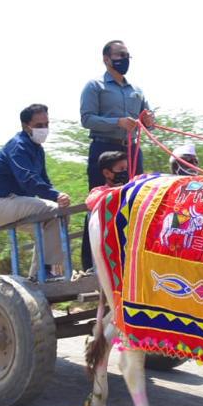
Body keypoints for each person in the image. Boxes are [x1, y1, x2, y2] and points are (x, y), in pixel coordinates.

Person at [79, 40, 152, 269]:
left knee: (135, 201)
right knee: (100, 202)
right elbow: (86, 119)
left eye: (128, 55)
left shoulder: (136, 90)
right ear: (107, 59)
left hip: (131, 151)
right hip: (104, 148)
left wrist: (149, 122)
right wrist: (117, 122)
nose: (125, 59)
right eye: (120, 55)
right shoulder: (94, 86)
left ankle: (130, 258)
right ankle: (92, 262)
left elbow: (148, 121)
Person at [0, 104, 71, 280]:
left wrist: (58, 196)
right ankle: (44, 271)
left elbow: (44, 182)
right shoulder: (18, 146)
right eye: (39, 125)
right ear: (26, 126)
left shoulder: (37, 149)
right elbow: (28, 180)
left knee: (57, 218)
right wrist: (55, 197)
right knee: (54, 211)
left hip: (13, 203)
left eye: (46, 124)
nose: (44, 129)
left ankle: (39, 275)